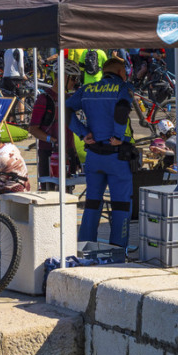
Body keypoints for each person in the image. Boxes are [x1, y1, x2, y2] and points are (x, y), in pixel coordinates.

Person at [65, 55, 135, 250]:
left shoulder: (87, 89)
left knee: (92, 203)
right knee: (121, 205)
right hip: (117, 157)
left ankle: (84, 247)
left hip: (94, 156)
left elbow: (65, 109)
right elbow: (122, 109)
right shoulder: (123, 88)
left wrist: (82, 132)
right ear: (120, 72)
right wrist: (118, 136)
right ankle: (118, 250)